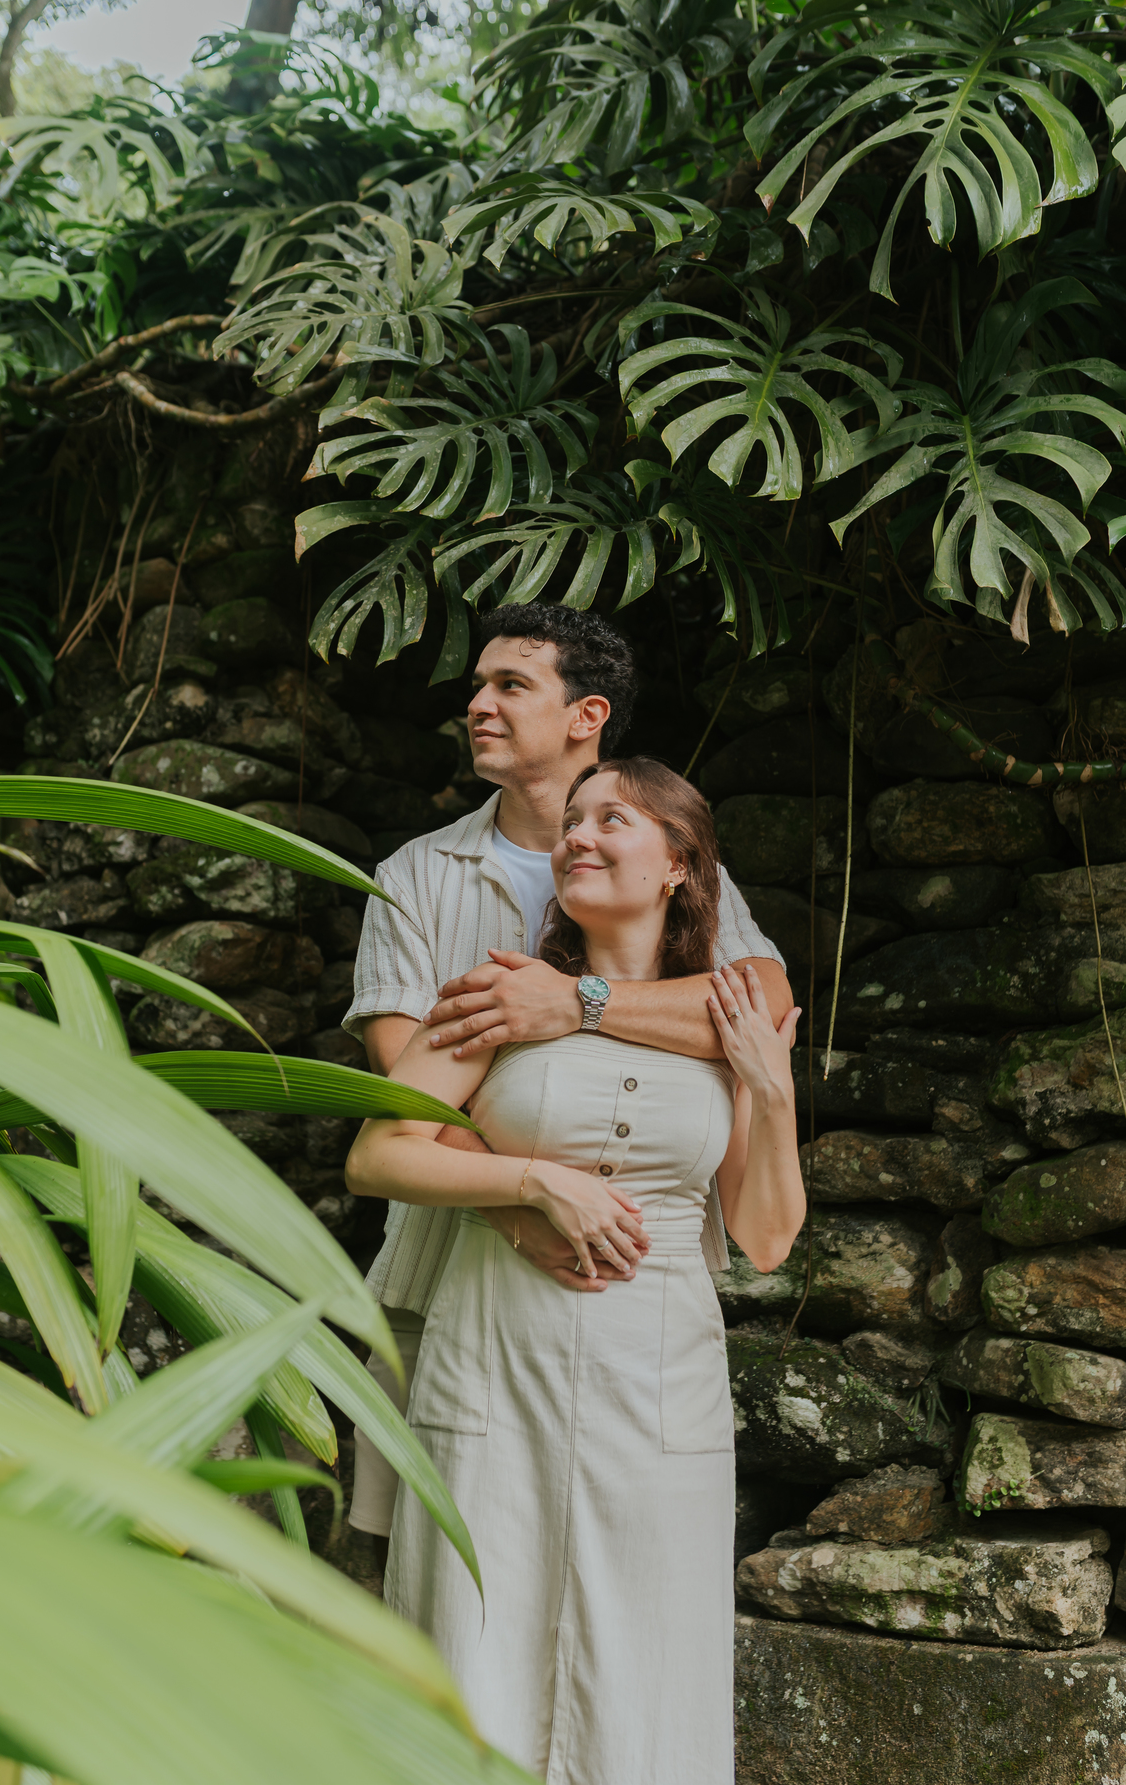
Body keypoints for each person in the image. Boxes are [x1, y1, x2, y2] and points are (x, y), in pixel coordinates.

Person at [345, 757, 807, 1785]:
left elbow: (767, 1237)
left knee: (644, 1659)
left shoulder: (725, 1029)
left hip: (660, 1384)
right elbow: (378, 1153)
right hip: (494, 1362)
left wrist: (770, 1095)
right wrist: (531, 1185)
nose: (579, 836)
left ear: (681, 865)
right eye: (574, 822)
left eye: (615, 821)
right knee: (474, 1641)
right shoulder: (497, 994)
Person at [343, 603, 793, 1561]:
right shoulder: (416, 876)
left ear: (586, 714)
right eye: (478, 685)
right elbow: (402, 1086)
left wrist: (573, 1004)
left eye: (511, 684)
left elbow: (758, 1005)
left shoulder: (653, 847)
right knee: (430, 1560)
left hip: (643, 1296)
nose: (480, 704)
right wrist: (517, 1206)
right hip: (446, 1265)